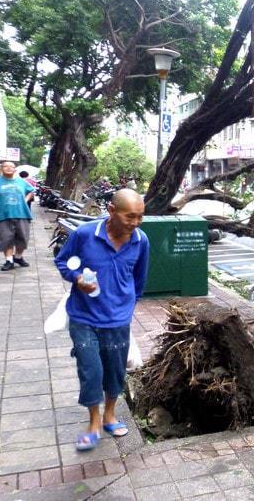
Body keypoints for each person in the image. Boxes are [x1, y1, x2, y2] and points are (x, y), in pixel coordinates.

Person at [54, 189, 149, 451]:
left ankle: (110, 414)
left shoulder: (141, 240)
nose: (135, 222)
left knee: (115, 372)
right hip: (83, 316)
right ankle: (94, 421)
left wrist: (127, 306)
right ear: (111, 210)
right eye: (130, 216)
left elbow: (139, 280)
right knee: (91, 370)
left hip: (118, 319)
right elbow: (63, 262)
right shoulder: (86, 235)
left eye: (140, 217)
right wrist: (77, 279)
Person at [0, 160, 35, 271]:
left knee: (23, 238)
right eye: (6, 166)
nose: (9, 168)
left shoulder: (21, 182)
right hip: (3, 215)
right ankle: (9, 261)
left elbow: (31, 191)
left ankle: (18, 257)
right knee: (6, 239)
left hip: (22, 213)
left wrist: (25, 199)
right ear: (1, 168)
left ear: (15, 169)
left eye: (11, 166)